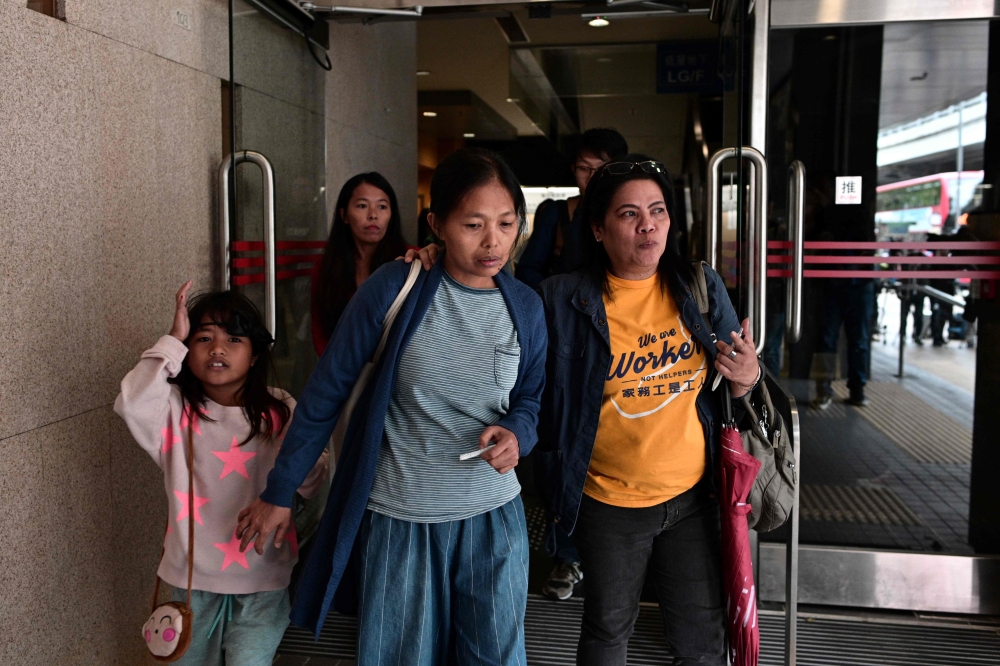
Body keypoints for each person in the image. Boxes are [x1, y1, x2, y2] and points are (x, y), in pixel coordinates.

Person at [235, 148, 547, 665]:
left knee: (495, 655)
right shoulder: (395, 287)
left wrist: (518, 433)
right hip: (402, 519)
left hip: (493, 519)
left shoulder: (526, 307)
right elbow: (325, 393)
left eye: (507, 223)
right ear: (437, 224)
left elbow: (532, 399)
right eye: (473, 224)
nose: (493, 241)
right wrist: (280, 489)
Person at [537, 154, 762, 665]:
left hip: (693, 497)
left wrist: (748, 378)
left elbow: (741, 385)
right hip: (608, 502)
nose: (648, 226)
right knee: (608, 631)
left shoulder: (698, 286)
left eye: (657, 211)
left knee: (701, 640)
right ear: (597, 228)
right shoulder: (561, 300)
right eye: (628, 214)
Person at [115, 285, 329, 666]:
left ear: (254, 355)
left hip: (263, 581)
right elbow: (132, 402)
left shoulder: (280, 411)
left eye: (233, 338)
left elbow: (312, 486)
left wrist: (312, 461)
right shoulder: (174, 413)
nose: (217, 348)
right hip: (188, 583)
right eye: (203, 338)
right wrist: (173, 339)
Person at [515, 128, 629, 289]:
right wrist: (555, 297)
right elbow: (527, 271)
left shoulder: (634, 214)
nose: (592, 177)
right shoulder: (556, 213)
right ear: (573, 169)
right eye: (584, 168)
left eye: (602, 168)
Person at [311, 172, 410, 357]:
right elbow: (320, 330)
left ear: (391, 214)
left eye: (382, 206)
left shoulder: (411, 259)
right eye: (362, 205)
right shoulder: (327, 266)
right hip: (344, 371)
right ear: (344, 215)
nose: (373, 215)